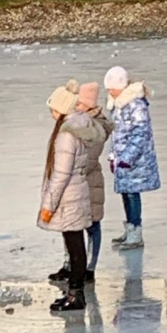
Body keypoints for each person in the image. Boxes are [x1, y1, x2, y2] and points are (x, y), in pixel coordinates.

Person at [47, 82, 113, 283]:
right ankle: (70, 265)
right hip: (76, 184)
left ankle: (88, 268)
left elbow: (85, 159)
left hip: (89, 183)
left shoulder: (93, 128)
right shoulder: (76, 124)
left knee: (92, 226)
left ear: (88, 106)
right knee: (70, 227)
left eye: (79, 105)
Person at [38, 80, 93, 313]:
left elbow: (61, 173)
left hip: (69, 196)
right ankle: (74, 292)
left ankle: (75, 295)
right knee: (75, 244)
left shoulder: (66, 135)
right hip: (76, 191)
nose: (51, 113)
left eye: (53, 109)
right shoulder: (76, 128)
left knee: (75, 246)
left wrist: (48, 206)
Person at [103, 66, 160, 250]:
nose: (109, 91)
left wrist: (127, 158)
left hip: (136, 161)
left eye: (111, 87)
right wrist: (113, 157)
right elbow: (117, 135)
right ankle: (130, 228)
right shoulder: (118, 104)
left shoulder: (135, 104)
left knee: (133, 195)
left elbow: (140, 133)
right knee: (126, 194)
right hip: (124, 160)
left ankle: (136, 232)